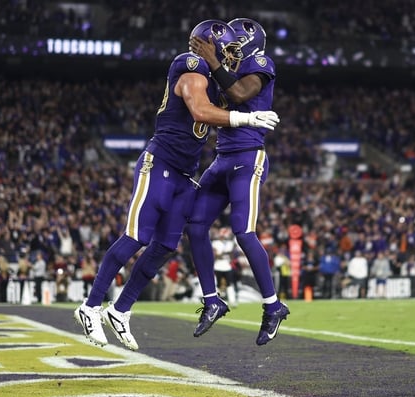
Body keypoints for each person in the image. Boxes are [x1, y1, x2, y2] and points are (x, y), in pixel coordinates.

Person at [74, 19, 280, 350]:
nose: (228, 57)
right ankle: (90, 306)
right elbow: (200, 111)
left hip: (184, 175)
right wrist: (246, 118)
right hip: (160, 163)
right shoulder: (193, 66)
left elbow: (234, 94)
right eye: (223, 49)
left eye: (231, 50)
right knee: (135, 237)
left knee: (166, 244)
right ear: (204, 45)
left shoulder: (216, 75)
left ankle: (121, 310)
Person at [187, 18, 290, 346]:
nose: (225, 53)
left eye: (232, 48)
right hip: (222, 158)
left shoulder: (260, 62)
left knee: (243, 231)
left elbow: (241, 91)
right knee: (195, 223)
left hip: (248, 157)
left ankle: (273, 306)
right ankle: (212, 299)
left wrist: (215, 61)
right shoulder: (223, 68)